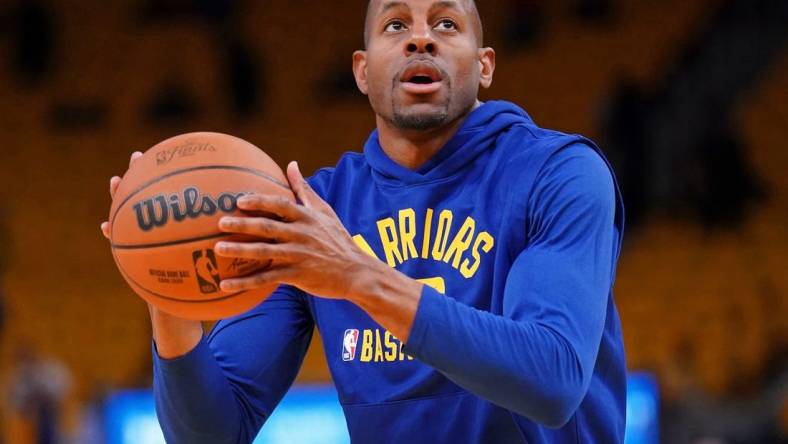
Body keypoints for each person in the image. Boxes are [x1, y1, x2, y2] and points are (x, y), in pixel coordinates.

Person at [100, 0, 626, 442]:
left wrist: (356, 276)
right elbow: (212, 433)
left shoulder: (557, 172)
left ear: (485, 65)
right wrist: (167, 293)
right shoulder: (317, 211)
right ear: (361, 70)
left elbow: (552, 380)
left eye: (446, 24)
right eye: (396, 25)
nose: (421, 39)